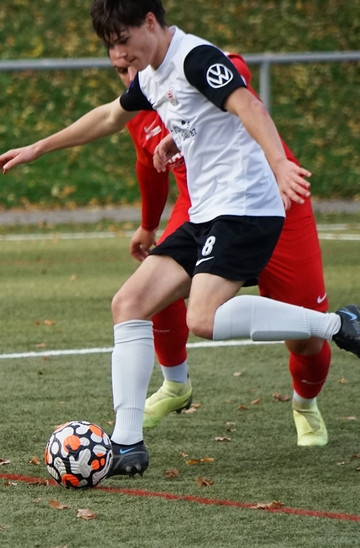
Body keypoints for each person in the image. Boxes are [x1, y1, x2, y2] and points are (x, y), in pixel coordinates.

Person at [0, 0, 360, 480]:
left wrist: (280, 164)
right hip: (205, 212)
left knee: (203, 318)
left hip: (245, 207)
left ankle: (337, 324)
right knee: (129, 303)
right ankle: (127, 443)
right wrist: (38, 147)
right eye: (109, 46)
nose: (117, 56)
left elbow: (248, 105)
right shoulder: (151, 74)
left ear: (150, 22)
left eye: (122, 41)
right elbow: (109, 116)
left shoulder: (196, 57)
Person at [117, 53, 334, 446]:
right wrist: (148, 226)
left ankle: (305, 404)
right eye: (121, 70)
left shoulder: (190, 63)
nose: (132, 76)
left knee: (306, 339)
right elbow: (148, 167)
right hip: (201, 208)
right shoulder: (137, 109)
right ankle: (175, 385)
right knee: (152, 286)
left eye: (136, 64)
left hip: (274, 201)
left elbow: (237, 69)